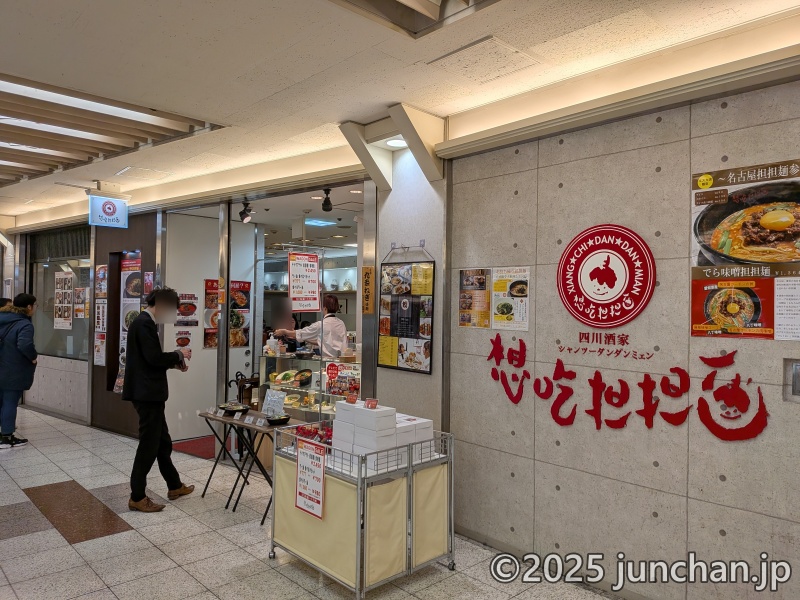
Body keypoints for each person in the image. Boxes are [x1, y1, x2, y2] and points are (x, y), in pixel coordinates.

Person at [123, 287, 194, 512]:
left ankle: (174, 485)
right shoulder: (144, 323)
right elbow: (153, 358)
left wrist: (173, 363)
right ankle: (137, 496)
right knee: (149, 445)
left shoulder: (144, 322)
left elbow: (148, 359)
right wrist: (179, 354)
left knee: (163, 442)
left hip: (147, 392)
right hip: (147, 394)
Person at [0, 294, 38, 449]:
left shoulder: (3, 318)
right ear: (29, 307)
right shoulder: (24, 324)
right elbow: (24, 344)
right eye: (35, 305)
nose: (35, 309)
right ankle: (7, 437)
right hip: (13, 369)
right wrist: (33, 357)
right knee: (10, 401)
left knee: (1, 401)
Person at [275, 294, 347, 358]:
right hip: (342, 359)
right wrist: (306, 338)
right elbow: (326, 341)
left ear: (324, 308)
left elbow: (300, 333)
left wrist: (284, 331)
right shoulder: (341, 323)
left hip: (328, 360)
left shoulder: (321, 324)